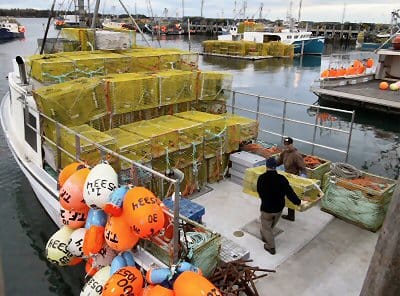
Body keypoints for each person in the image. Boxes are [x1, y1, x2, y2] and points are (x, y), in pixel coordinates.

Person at [257, 157, 303, 255]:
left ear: (266, 166)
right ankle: (266, 235)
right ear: (276, 166)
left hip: (266, 208)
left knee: (266, 227)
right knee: (271, 225)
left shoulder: (262, 178)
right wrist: (298, 202)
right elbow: (290, 193)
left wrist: (265, 199)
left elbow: (260, 192)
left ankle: (271, 247)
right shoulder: (282, 179)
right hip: (278, 209)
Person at [276, 137, 307, 222]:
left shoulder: (296, 155)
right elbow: (279, 162)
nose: (287, 146)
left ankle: (291, 215)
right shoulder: (284, 152)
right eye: (285, 144)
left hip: (294, 177)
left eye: (288, 144)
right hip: (286, 175)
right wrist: (271, 165)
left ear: (292, 144)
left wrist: (303, 177)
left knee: (290, 195)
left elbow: (303, 168)